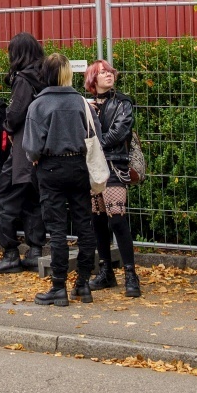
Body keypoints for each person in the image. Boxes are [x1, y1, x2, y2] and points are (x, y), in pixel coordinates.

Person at [22, 52, 98, 305]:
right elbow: (95, 133)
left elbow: (31, 146)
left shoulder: (39, 105)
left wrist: (36, 156)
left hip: (51, 167)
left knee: (57, 229)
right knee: (84, 225)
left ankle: (58, 287)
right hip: (78, 165)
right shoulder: (81, 103)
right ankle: (83, 284)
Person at [0, 32, 48, 273]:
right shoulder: (46, 75)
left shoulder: (23, 78)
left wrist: (8, 126)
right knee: (33, 199)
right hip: (42, 147)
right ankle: (35, 250)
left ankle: (10, 252)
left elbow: (16, 111)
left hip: (22, 146)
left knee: (2, 197)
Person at [86, 59, 144, 298]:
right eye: (102, 73)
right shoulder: (84, 104)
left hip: (114, 165)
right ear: (93, 79)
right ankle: (106, 272)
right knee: (97, 219)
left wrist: (95, 144)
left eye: (109, 71)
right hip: (92, 166)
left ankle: (131, 274)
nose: (108, 75)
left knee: (117, 219)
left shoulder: (123, 102)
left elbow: (121, 131)